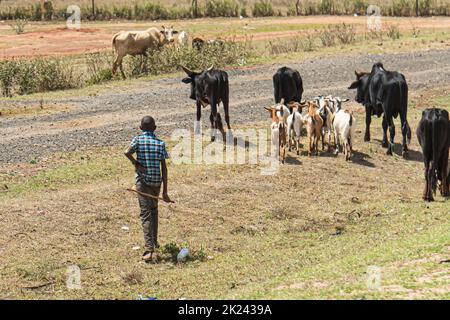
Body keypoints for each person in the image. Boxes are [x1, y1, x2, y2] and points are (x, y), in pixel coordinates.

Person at [124, 116, 171, 262]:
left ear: (140, 128)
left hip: (143, 183)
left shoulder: (138, 140)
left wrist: (136, 163)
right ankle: (154, 242)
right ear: (155, 128)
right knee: (154, 212)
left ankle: (149, 250)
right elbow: (164, 168)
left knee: (145, 214)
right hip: (157, 183)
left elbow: (126, 152)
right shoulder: (160, 143)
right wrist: (165, 191)